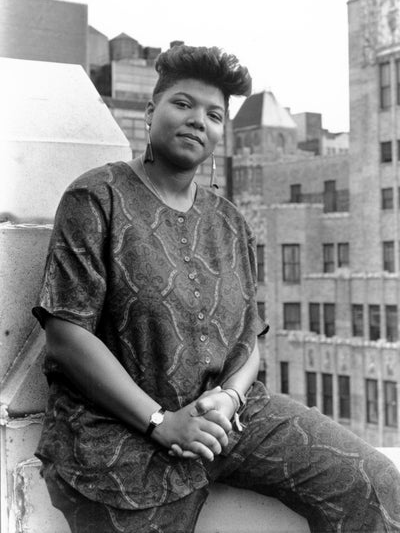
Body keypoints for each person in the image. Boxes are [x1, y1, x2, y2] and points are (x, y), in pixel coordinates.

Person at [33, 44, 400, 533]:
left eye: (213, 115)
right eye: (183, 104)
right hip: (117, 435)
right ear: (150, 112)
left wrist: (229, 399)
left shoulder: (230, 222)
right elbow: (66, 334)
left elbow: (249, 338)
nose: (197, 121)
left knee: (373, 484)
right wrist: (162, 422)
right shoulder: (96, 197)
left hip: (227, 421)